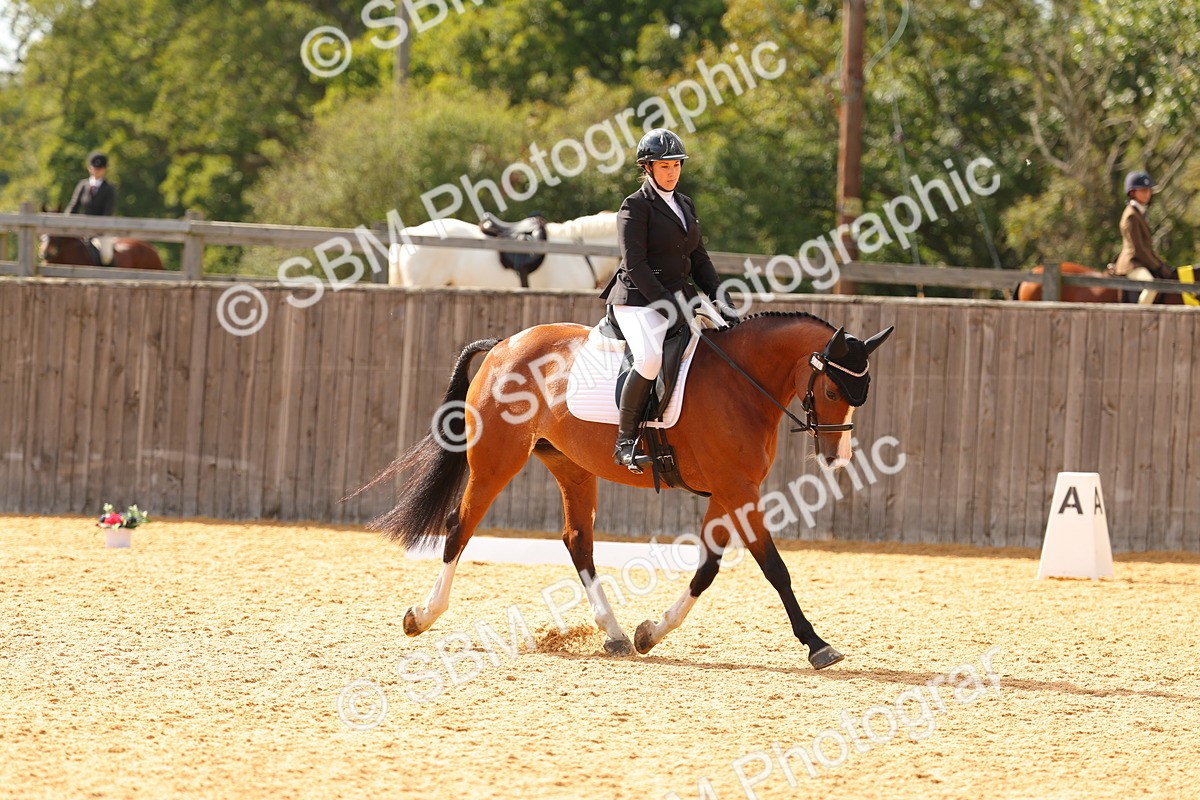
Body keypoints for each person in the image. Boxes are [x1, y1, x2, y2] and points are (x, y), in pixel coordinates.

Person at [599, 128, 739, 473]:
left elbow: (700, 259)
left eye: (676, 165)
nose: (672, 172)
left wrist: (723, 300)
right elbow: (635, 264)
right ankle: (625, 442)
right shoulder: (635, 206)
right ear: (647, 168)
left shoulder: (684, 204)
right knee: (648, 359)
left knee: (726, 341)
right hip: (637, 298)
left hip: (678, 295)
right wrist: (667, 303)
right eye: (664, 166)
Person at [1111, 170, 1170, 305]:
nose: (1147, 194)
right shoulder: (1131, 215)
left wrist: (1162, 264)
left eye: (1149, 191)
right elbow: (1138, 248)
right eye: (1143, 191)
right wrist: (1158, 267)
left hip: (1140, 261)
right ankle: (1138, 314)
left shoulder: (1140, 213)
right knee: (1152, 285)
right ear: (1132, 193)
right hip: (1132, 263)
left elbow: (1147, 248)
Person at [65, 150, 117, 265]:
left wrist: (95, 230)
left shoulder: (109, 188)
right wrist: (66, 224)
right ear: (89, 168)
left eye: (100, 169)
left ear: (104, 170)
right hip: (82, 229)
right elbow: (73, 207)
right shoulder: (82, 186)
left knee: (106, 256)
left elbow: (107, 213)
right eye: (94, 168)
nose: (96, 171)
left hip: (101, 231)